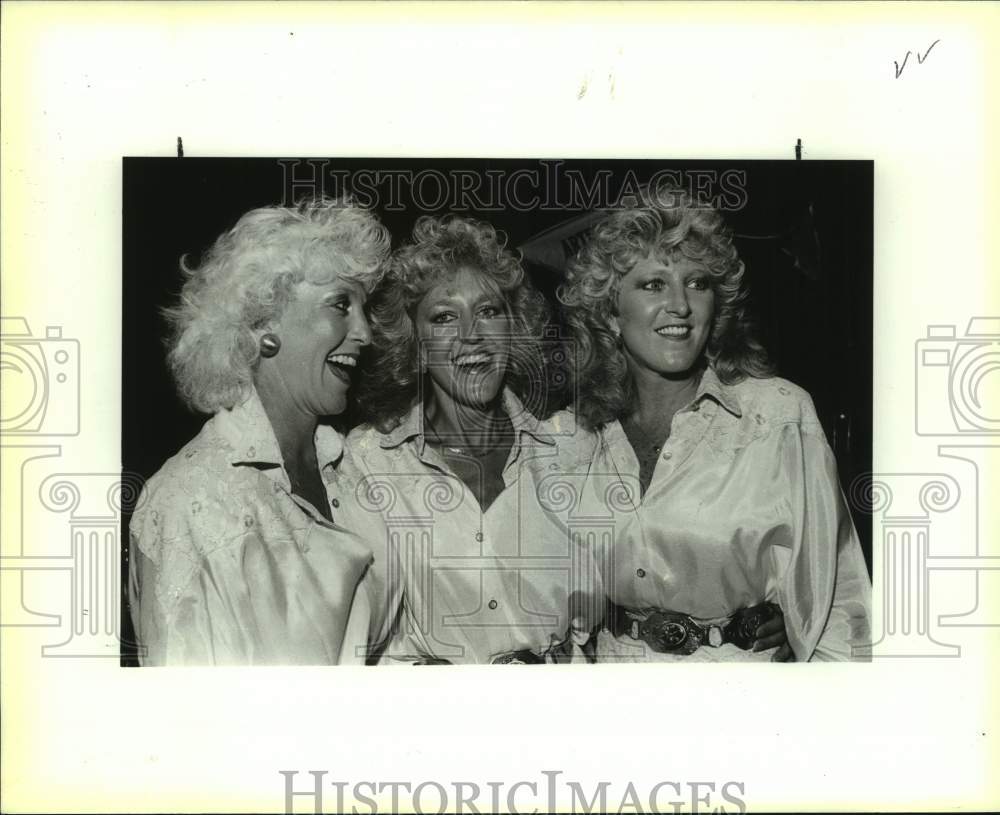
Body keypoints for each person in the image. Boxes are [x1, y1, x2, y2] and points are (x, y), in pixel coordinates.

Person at [558, 184, 872, 662]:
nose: (680, 305)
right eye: (652, 284)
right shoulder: (575, 437)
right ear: (610, 312)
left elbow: (842, 610)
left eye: (698, 283)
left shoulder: (779, 415)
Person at [128, 197, 391, 665]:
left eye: (363, 308)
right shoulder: (191, 501)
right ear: (264, 324)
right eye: (340, 305)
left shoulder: (353, 468)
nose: (366, 333)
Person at [333, 214, 604, 664]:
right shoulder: (366, 464)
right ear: (417, 347)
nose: (472, 335)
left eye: (488, 311)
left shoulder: (573, 448)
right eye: (444, 317)